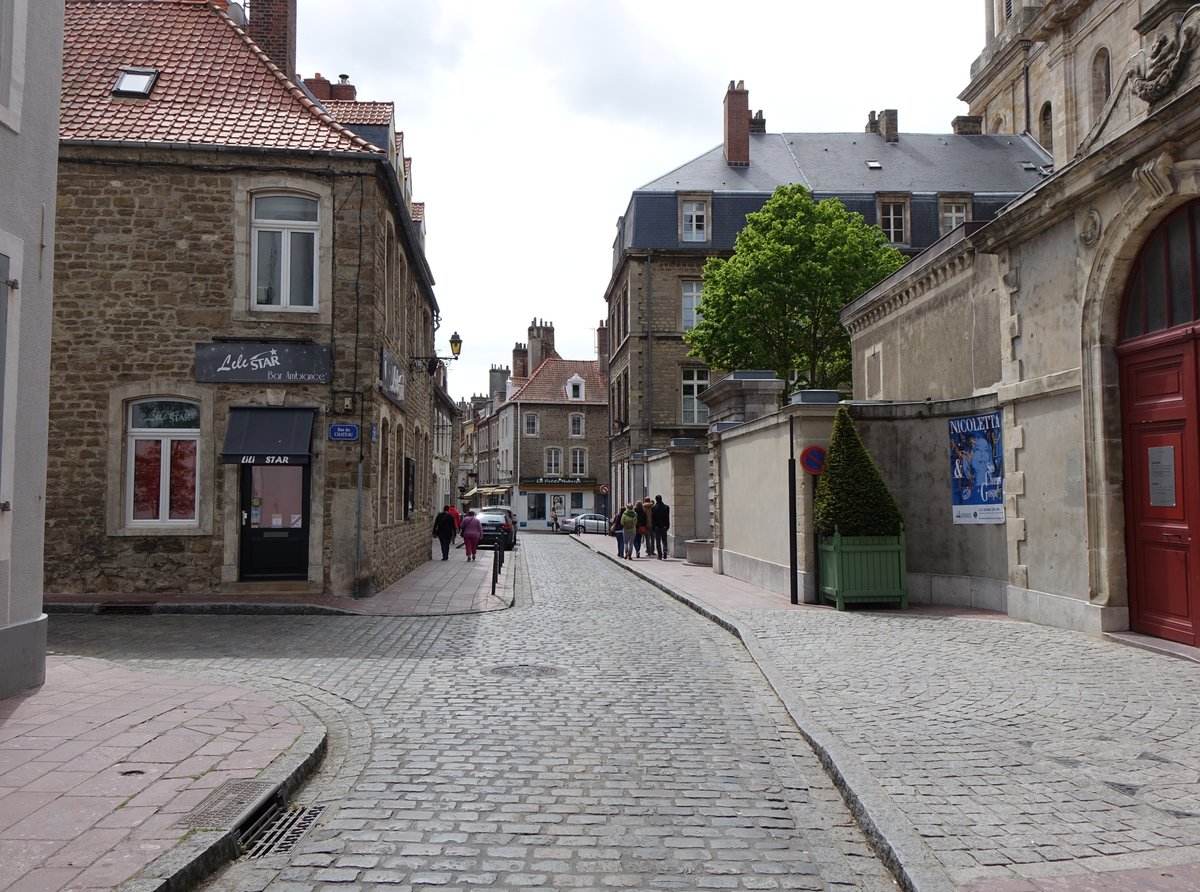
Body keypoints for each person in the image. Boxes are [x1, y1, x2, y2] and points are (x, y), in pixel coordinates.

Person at [651, 494, 671, 560]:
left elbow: (653, 519)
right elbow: (667, 518)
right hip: (664, 526)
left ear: (656, 500)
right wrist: (667, 526)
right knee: (664, 540)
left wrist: (654, 526)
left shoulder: (653, 508)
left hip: (657, 527)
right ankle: (665, 550)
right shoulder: (666, 507)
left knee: (658, 541)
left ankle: (660, 555)